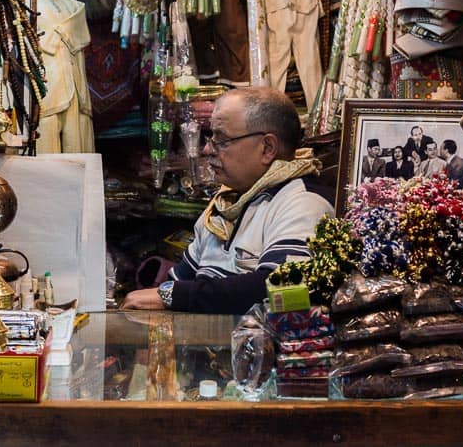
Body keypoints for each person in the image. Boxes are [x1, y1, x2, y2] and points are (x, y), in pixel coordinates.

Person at [121, 87, 334, 313]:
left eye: (221, 140)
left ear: (267, 148)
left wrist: (173, 295)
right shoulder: (226, 202)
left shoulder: (303, 202)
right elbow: (180, 281)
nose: (207, 149)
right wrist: (165, 293)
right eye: (210, 138)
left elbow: (281, 286)